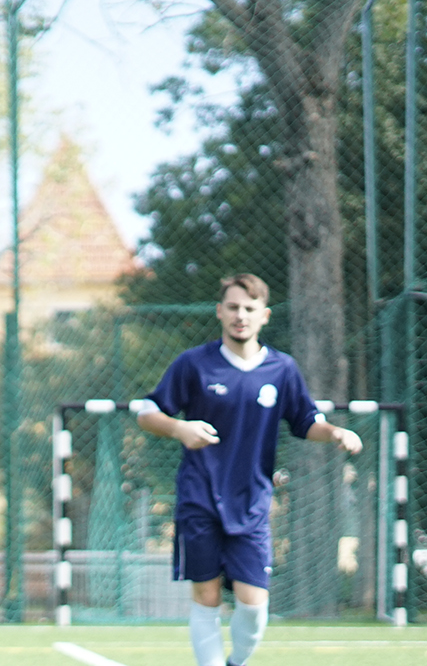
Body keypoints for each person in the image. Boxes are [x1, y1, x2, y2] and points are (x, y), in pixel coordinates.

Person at [134, 273, 362, 666]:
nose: (241, 315)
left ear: (265, 315)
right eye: (234, 307)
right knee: (205, 596)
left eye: (250, 309)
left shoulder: (282, 369)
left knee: (254, 603)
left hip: (253, 504)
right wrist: (180, 428)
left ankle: (236, 661)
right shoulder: (193, 364)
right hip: (199, 498)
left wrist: (336, 432)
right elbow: (146, 412)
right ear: (220, 312)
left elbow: (306, 422)